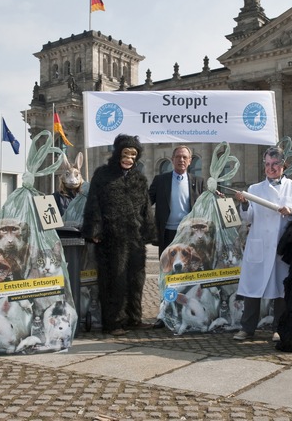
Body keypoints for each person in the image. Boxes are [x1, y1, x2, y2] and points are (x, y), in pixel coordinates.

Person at [233, 145, 292, 342]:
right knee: (252, 287)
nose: (271, 168)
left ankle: (279, 328)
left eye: (275, 164)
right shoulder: (254, 189)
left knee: (281, 289)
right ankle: (247, 328)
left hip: (282, 246)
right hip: (259, 244)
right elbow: (248, 217)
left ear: (283, 165)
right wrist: (243, 203)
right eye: (267, 164)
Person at [82, 134, 155, 336]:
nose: (129, 159)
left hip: (135, 238)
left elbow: (146, 207)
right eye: (125, 154)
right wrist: (94, 230)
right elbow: (93, 203)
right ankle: (113, 323)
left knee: (136, 279)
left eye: (133, 155)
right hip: (111, 238)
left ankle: (134, 318)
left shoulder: (139, 178)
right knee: (114, 281)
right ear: (118, 154)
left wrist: (149, 231)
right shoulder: (103, 174)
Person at [148, 145, 206, 328]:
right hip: (168, 234)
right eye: (178, 157)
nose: (181, 160)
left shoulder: (199, 181)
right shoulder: (161, 180)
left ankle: (187, 311)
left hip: (189, 236)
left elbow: (205, 207)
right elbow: (146, 202)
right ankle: (164, 313)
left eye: (185, 157)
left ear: (190, 161)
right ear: (172, 160)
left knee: (190, 275)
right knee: (166, 274)